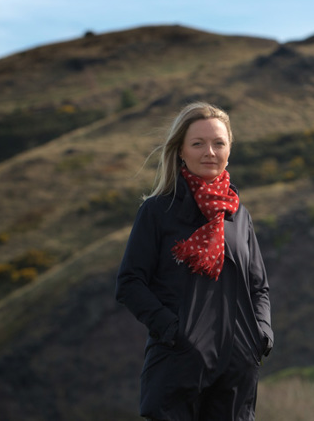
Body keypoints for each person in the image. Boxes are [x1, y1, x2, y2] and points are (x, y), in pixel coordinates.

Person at [116, 102, 273, 421]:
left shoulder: (239, 215)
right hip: (177, 366)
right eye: (198, 143)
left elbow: (259, 287)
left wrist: (260, 336)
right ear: (181, 151)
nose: (210, 152)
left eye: (219, 143)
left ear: (230, 150)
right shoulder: (158, 212)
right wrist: (175, 331)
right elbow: (130, 283)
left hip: (236, 371)